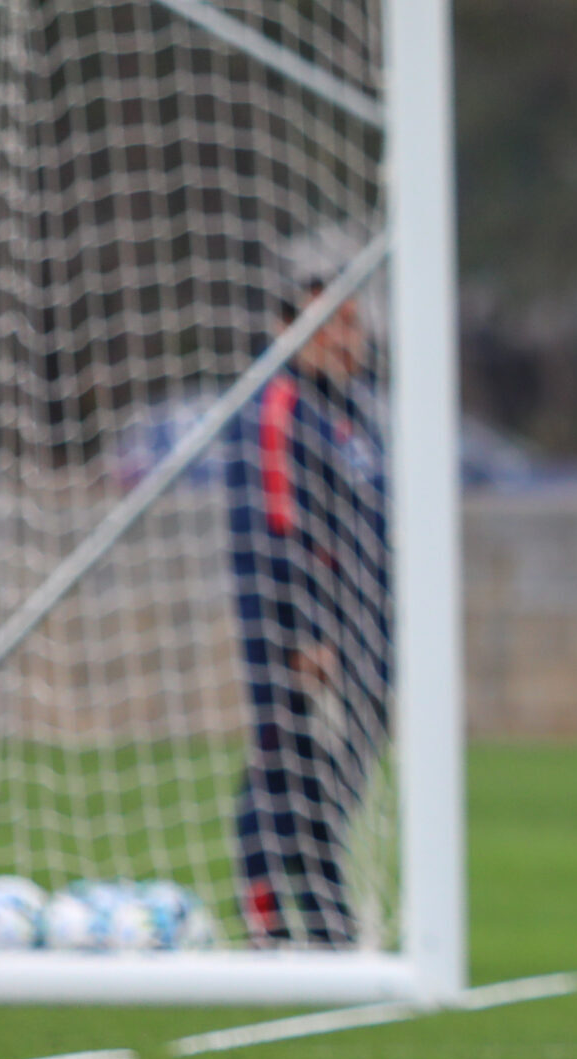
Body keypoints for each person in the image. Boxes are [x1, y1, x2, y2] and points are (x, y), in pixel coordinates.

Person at [224, 231, 390, 946]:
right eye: (332, 323)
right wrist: (304, 634)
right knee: (284, 759)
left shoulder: (355, 414)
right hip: (298, 629)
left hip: (362, 625)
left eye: (352, 322)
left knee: (337, 764)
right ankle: (270, 905)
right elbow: (278, 531)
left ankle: (321, 907)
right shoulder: (280, 408)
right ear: (289, 329)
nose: (344, 338)